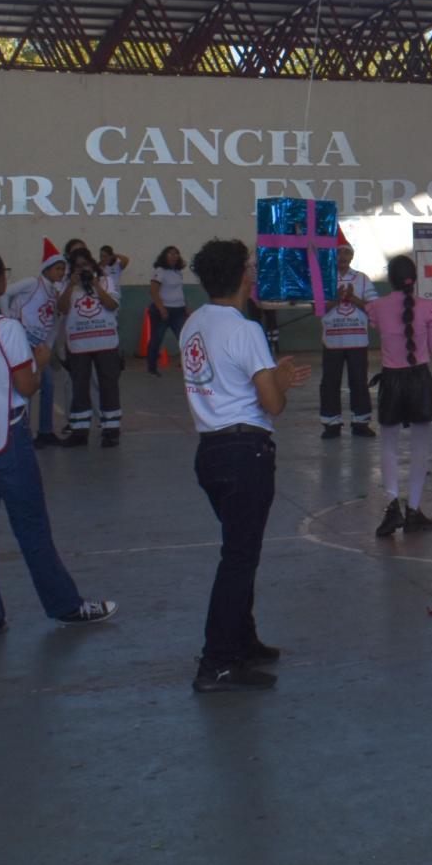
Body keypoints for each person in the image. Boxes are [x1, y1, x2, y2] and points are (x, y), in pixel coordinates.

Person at [0, 246, 118, 638]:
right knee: (32, 528)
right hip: (3, 441)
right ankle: (66, 606)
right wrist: (39, 358)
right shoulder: (5, 329)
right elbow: (26, 386)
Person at [179, 237, 312, 692]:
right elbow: (271, 404)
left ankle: (243, 640)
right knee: (238, 558)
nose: (255, 274)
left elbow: (227, 382)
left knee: (239, 550)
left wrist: (270, 376)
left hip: (210, 451)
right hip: (245, 452)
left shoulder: (192, 324)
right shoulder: (245, 330)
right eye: (251, 268)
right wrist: (281, 381)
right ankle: (216, 661)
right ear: (242, 277)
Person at [366, 254, 432, 537]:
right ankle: (414, 509)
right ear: (415, 279)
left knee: (388, 445)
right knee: (420, 447)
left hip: (392, 381)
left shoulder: (377, 308)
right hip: (419, 380)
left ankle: (392, 506)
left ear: (390, 279)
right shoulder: (429, 308)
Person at [56, 245, 121, 448]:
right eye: (77, 267)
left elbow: (112, 305)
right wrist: (70, 286)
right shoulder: (66, 285)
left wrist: (95, 285)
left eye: (85, 265)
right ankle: (79, 431)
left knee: (108, 384)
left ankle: (111, 430)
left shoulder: (106, 281)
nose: (81, 269)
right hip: (79, 343)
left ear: (92, 264)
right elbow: (62, 309)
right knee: (79, 386)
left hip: (105, 340)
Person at [5, 240, 68, 446]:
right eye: (58, 268)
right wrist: (7, 321)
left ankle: (45, 430)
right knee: (26, 387)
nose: (61, 272)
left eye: (63, 269)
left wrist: (50, 347)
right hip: (22, 342)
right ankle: (23, 431)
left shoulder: (55, 293)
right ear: (47, 269)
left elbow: (53, 323)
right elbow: (5, 292)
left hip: (40, 347)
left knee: (47, 385)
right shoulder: (33, 283)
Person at [317, 234, 377, 440]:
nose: (342, 257)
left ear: (352, 256)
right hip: (332, 341)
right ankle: (331, 424)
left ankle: (361, 422)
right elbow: (317, 308)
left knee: (359, 381)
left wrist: (353, 298)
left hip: (357, 341)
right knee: (330, 382)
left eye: (346, 253)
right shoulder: (324, 277)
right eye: (338, 253)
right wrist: (335, 299)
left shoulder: (362, 279)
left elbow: (373, 308)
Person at [145, 246, 187, 375]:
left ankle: (188, 366)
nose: (174, 256)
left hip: (179, 310)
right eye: (170, 254)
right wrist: (161, 309)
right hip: (163, 310)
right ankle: (152, 368)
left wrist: (186, 307)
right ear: (164, 256)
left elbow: (179, 292)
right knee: (156, 339)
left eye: (176, 254)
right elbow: (153, 291)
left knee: (184, 338)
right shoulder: (160, 271)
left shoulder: (178, 272)